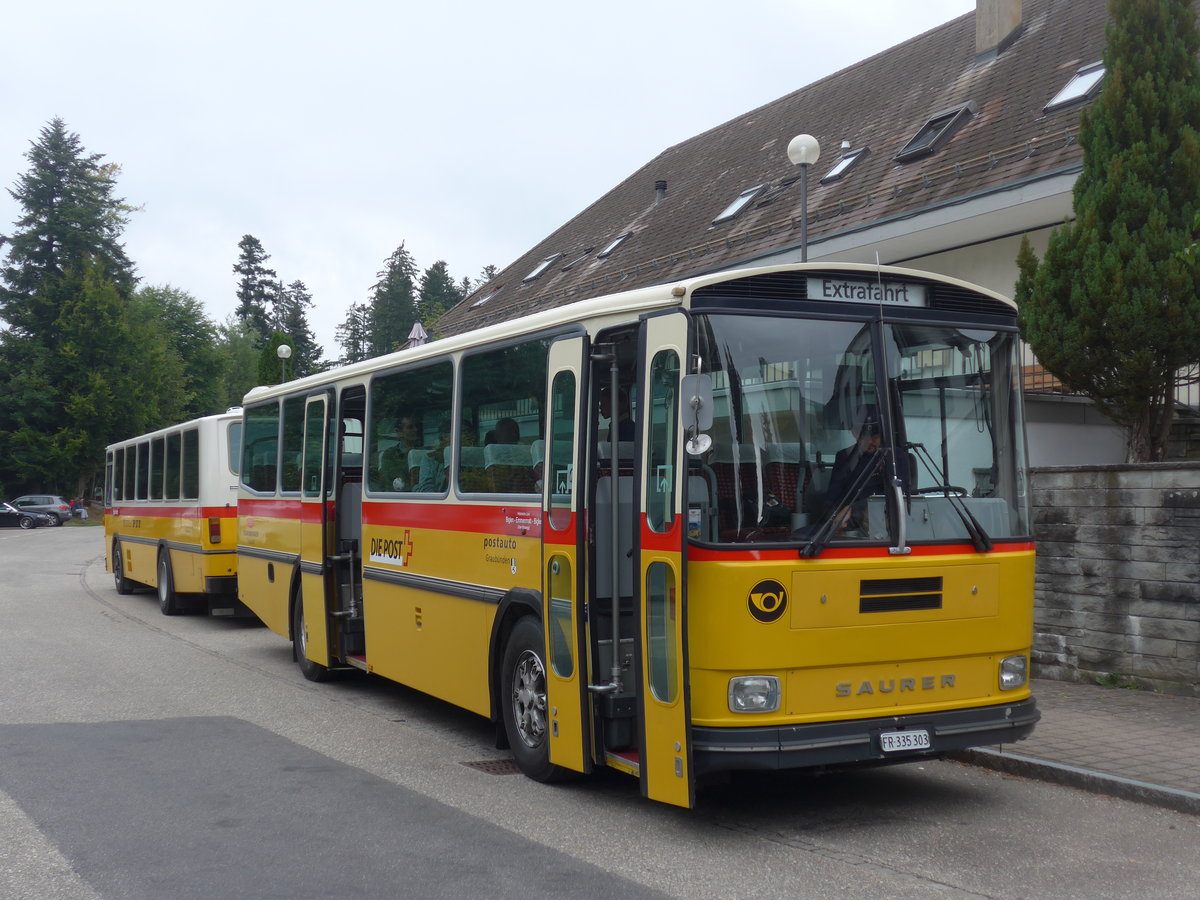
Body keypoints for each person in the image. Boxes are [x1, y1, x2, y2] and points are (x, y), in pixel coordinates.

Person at [826, 419, 901, 534]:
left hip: (882, 524)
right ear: (856, 436)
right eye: (865, 438)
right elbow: (833, 496)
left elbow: (897, 497)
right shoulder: (844, 456)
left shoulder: (894, 457)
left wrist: (854, 510)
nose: (870, 442)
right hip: (844, 525)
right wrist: (835, 518)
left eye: (875, 437)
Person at [378, 414, 422, 490]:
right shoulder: (389, 455)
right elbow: (387, 483)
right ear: (398, 432)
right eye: (410, 427)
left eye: (416, 426)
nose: (415, 430)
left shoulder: (422, 452)